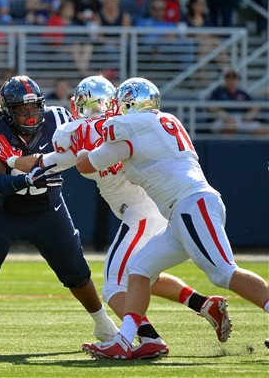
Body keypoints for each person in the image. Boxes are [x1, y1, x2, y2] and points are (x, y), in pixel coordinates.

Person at [0, 75, 233, 359]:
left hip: (141, 213)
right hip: (147, 212)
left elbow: (74, 143)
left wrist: (15, 158)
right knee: (142, 277)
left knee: (114, 286)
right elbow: (47, 163)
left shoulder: (118, 129)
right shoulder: (107, 130)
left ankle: (147, 337)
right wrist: (11, 160)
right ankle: (204, 305)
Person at [74, 77, 269, 359]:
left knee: (224, 272)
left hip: (191, 204)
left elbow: (90, 155)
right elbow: (109, 152)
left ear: (129, 104)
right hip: (181, 212)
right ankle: (126, 340)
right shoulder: (158, 122)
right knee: (139, 270)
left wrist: (79, 140)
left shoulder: (134, 125)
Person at [0, 75, 118, 352]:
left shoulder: (60, 118)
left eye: (35, 109)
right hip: (3, 212)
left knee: (76, 272)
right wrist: (25, 179)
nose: (31, 116)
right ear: (7, 111)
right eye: (22, 111)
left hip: (48, 210)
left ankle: (104, 326)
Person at [208, 68, 268, 135]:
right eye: (229, 78)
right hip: (222, 119)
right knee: (229, 127)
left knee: (265, 130)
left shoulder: (242, 93)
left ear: (237, 80)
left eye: (234, 78)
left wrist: (249, 116)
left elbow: (255, 106)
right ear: (225, 79)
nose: (231, 81)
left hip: (240, 120)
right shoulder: (218, 92)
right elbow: (211, 107)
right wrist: (225, 116)